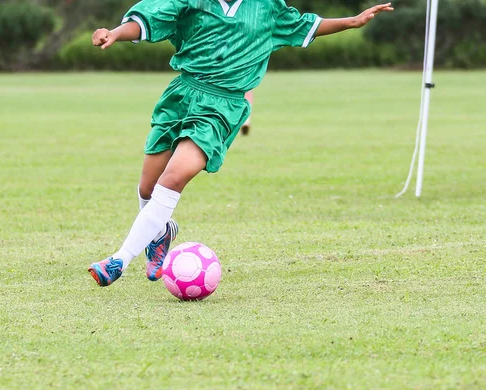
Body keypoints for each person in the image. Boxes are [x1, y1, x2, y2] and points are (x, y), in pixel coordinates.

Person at [89, 0, 394, 286]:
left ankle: (119, 261)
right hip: (181, 95)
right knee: (147, 188)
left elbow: (306, 26)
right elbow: (147, 21)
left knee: (174, 177)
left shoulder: (265, 7)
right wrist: (114, 33)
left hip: (223, 107)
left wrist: (352, 21)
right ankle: (160, 233)